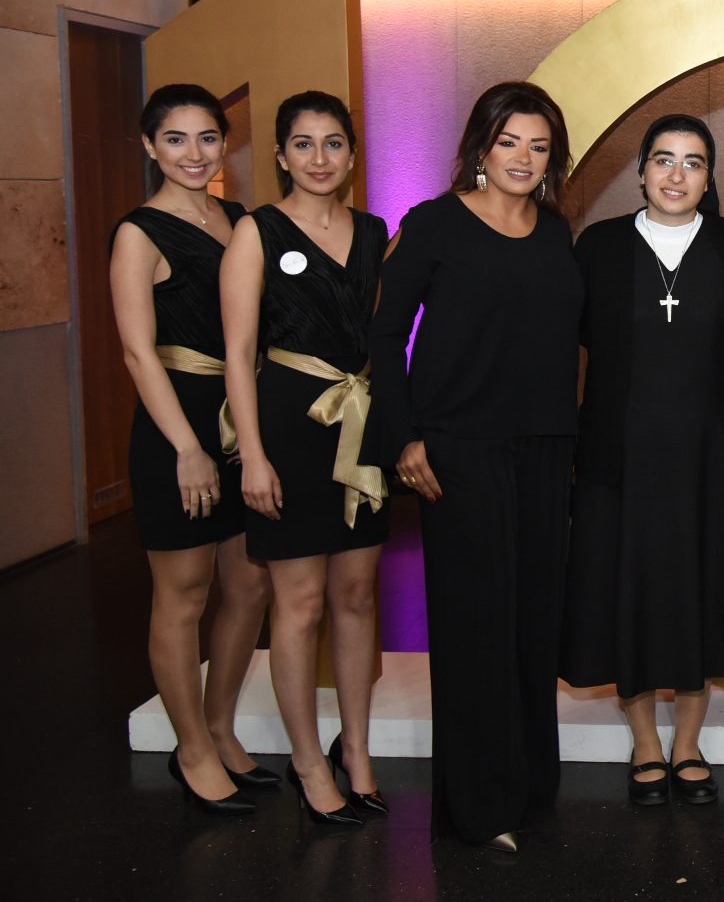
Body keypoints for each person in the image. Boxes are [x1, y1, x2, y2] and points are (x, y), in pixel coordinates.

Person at [362, 82, 584, 853]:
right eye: (509, 140)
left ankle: (528, 786)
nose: (523, 157)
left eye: (539, 145)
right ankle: (479, 804)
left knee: (533, 624)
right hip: (459, 449)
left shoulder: (555, 231)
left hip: (545, 448)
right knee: (475, 627)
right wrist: (404, 438)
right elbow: (384, 336)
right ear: (480, 146)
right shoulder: (432, 223)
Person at [561, 115, 724, 806]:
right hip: (620, 459)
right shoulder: (599, 245)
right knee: (631, 596)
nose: (677, 175)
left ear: (709, 177)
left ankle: (688, 741)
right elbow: (564, 345)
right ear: (642, 170)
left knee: (699, 596)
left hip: (710, 462)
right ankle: (645, 740)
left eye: (693, 162)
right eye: (664, 160)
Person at [220, 91, 389, 827]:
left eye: (333, 143)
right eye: (303, 144)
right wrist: (252, 454)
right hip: (288, 424)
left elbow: (382, 336)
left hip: (359, 420)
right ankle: (308, 761)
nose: (319, 158)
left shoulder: (376, 231)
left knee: (356, 596)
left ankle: (356, 749)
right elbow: (237, 354)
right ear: (281, 155)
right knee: (300, 602)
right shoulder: (255, 231)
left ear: (351, 154)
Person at [111, 84, 272, 816]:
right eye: (175, 139)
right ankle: (193, 750)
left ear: (224, 145)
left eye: (207, 137)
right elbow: (137, 353)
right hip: (176, 425)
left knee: (249, 586)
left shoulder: (238, 220)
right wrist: (187, 447)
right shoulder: (138, 233)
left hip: (241, 421)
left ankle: (220, 727)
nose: (194, 153)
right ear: (150, 146)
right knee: (183, 594)